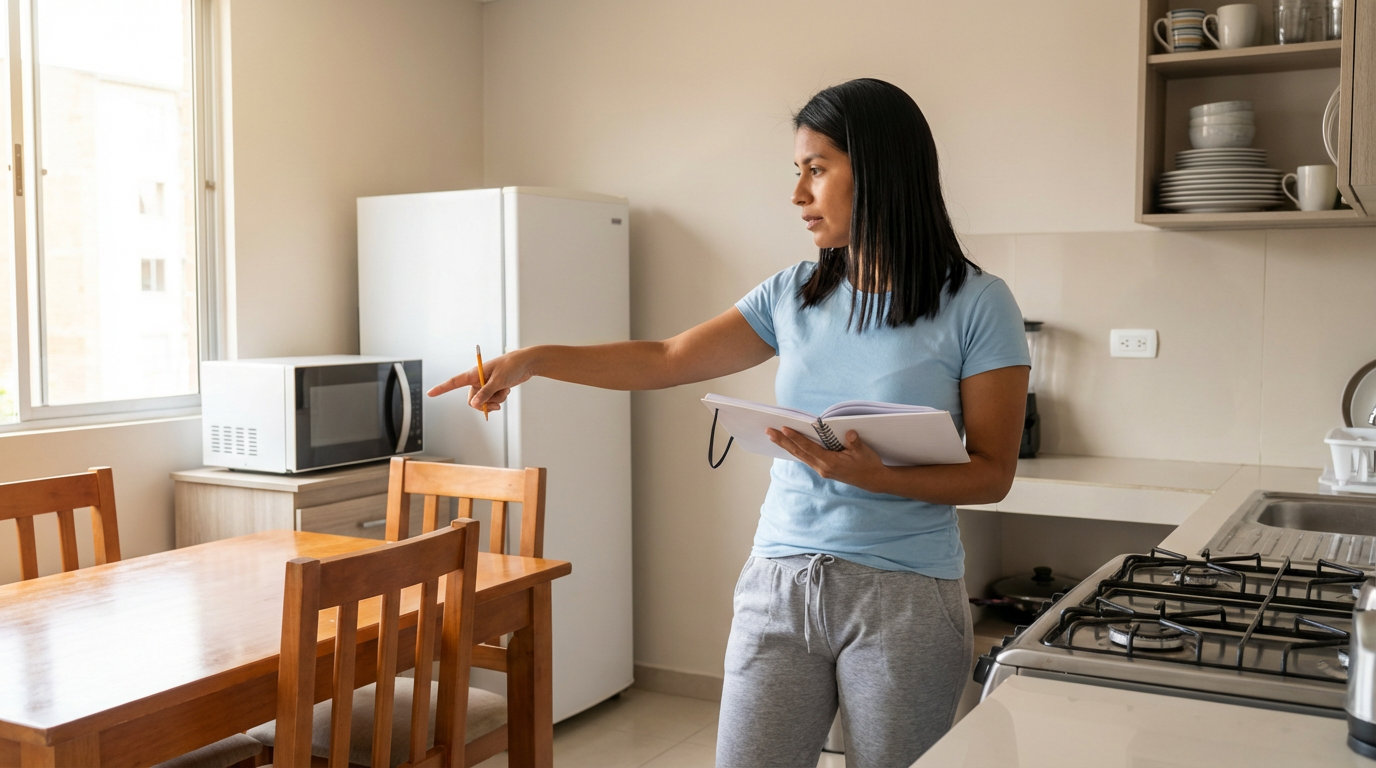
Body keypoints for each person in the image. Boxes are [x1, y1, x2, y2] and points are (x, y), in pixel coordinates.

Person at [428, 78, 1030, 768]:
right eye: (796, 171)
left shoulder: (979, 304)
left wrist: (877, 475)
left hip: (906, 599)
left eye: (817, 169)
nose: (798, 194)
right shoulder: (792, 295)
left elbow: (992, 474)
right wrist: (532, 360)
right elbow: (666, 357)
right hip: (780, 580)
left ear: (883, 170)